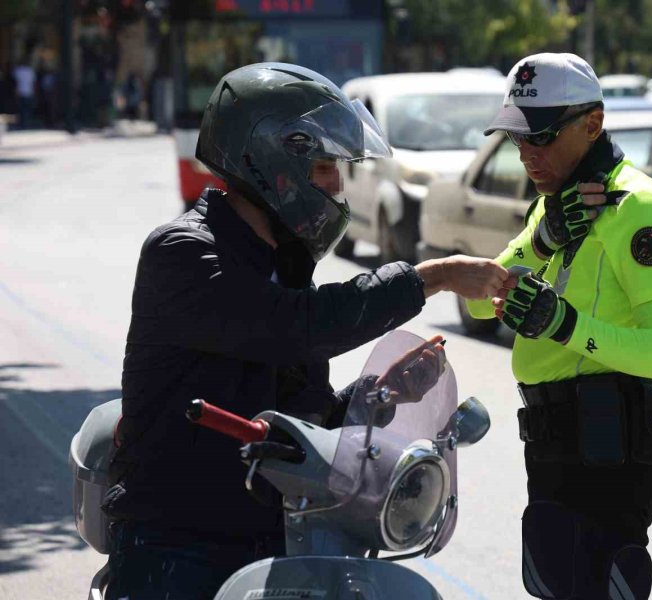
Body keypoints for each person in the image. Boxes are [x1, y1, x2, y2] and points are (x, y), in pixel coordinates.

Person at [102, 62, 507, 599]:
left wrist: (376, 398)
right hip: (176, 544)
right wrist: (431, 278)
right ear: (271, 160)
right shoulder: (184, 253)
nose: (336, 186)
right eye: (322, 168)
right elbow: (294, 328)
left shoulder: (284, 264)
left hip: (271, 538)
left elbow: (302, 413)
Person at [466, 53, 652, 600]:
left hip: (612, 449)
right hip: (554, 444)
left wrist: (563, 324)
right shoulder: (554, 205)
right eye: (517, 139)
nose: (526, 155)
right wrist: (540, 241)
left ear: (592, 124)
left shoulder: (638, 208)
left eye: (539, 138)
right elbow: (476, 303)